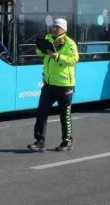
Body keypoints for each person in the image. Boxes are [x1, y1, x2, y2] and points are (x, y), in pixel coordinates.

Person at [28, 18, 79, 152]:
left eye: (57, 27)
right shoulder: (49, 39)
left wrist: (56, 56)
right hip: (49, 85)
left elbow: (74, 60)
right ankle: (40, 141)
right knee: (41, 112)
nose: (54, 29)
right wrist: (53, 45)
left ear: (64, 29)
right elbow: (39, 51)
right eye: (53, 26)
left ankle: (67, 141)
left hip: (65, 85)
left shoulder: (70, 43)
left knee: (65, 115)